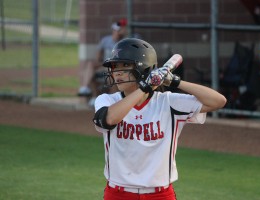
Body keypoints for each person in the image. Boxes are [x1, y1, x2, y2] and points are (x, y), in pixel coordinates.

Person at [92, 38, 227, 200]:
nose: (117, 72)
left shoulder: (168, 102)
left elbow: (218, 101)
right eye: (115, 67)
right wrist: (145, 87)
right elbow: (109, 119)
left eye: (125, 66)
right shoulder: (107, 100)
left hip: (160, 194)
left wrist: (175, 81)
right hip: (118, 194)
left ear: (144, 69)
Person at [78, 18, 128, 106]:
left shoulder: (125, 41)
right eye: (117, 30)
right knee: (91, 65)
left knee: (111, 75)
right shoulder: (106, 40)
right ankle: (86, 88)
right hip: (106, 64)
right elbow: (98, 58)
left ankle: (112, 100)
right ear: (114, 30)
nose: (118, 33)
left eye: (121, 31)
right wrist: (100, 64)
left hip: (117, 67)